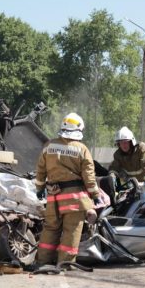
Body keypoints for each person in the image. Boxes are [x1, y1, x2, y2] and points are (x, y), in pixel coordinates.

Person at [34, 113, 101, 267]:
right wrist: (95, 194)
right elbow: (89, 176)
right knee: (71, 231)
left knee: (50, 229)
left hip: (53, 197)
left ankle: (42, 261)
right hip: (74, 199)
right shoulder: (82, 149)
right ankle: (64, 263)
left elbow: (40, 170)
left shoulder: (49, 146)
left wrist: (39, 188)